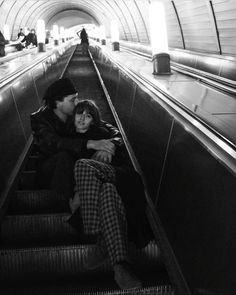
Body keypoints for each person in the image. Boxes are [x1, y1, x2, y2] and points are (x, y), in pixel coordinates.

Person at [68, 99, 153, 289]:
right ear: (72, 117)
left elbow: (118, 136)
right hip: (108, 188)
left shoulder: (104, 133)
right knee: (107, 191)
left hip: (122, 177)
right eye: (79, 113)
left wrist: (110, 145)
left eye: (88, 115)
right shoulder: (69, 141)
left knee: (82, 165)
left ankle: (98, 236)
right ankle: (120, 266)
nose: (82, 118)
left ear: (94, 120)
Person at [30, 78, 119, 201]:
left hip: (74, 167)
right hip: (51, 170)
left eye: (77, 98)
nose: (77, 102)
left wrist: (110, 145)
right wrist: (90, 143)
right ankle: (61, 201)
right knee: (64, 156)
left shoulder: (74, 112)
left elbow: (110, 129)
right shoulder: (39, 120)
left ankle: (81, 197)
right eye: (72, 100)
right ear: (57, 102)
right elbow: (55, 143)